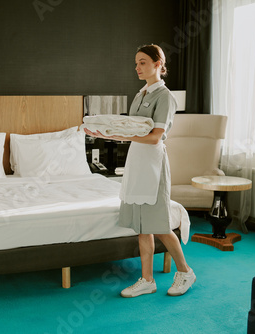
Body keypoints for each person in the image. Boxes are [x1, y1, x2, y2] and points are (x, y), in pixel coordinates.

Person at [84, 44, 195, 298]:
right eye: (136, 63)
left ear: (158, 64)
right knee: (143, 227)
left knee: (161, 225)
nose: (137, 67)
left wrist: (121, 135)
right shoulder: (140, 94)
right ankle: (147, 280)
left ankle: (185, 271)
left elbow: (156, 136)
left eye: (143, 62)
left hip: (154, 165)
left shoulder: (165, 97)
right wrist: (105, 133)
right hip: (137, 162)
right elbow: (130, 130)